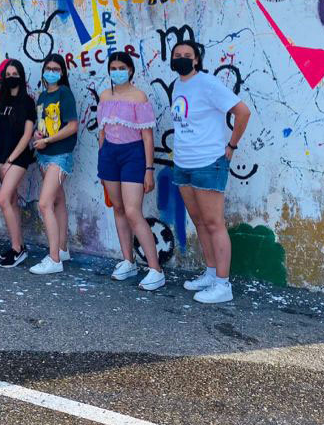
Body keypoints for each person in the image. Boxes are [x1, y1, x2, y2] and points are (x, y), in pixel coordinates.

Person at [169, 40, 251, 304]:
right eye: (177, 55)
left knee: (214, 223)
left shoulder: (207, 83)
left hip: (208, 163)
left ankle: (223, 285)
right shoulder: (177, 86)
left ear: (196, 60)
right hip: (183, 164)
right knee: (200, 222)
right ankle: (211, 273)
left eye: (187, 55)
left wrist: (231, 145)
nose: (181, 58)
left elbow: (242, 112)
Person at [97, 52, 165, 291]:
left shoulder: (139, 97)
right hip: (109, 155)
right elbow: (102, 131)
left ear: (130, 70)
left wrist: (149, 169)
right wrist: (103, 156)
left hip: (133, 155)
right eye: (113, 67)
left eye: (121, 67)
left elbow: (147, 136)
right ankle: (128, 260)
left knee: (133, 211)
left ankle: (155, 269)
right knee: (118, 208)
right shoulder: (105, 96)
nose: (117, 71)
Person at [28, 54, 78, 275]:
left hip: (60, 155)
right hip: (44, 156)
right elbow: (44, 126)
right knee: (57, 201)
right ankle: (62, 248)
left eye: (56, 68)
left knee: (44, 203)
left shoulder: (64, 93)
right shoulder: (41, 97)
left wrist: (47, 140)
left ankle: (54, 259)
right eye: (48, 67)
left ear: (62, 72)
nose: (51, 72)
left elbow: (72, 126)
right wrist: (39, 134)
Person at [0, 59, 36, 268]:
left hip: (18, 159)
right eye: (7, 75)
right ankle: (17, 245)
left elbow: (28, 134)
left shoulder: (27, 102)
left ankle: (17, 249)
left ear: (21, 75)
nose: (11, 78)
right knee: (11, 201)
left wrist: (10, 160)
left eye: (14, 74)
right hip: (0, 157)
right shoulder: (0, 101)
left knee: (3, 199)